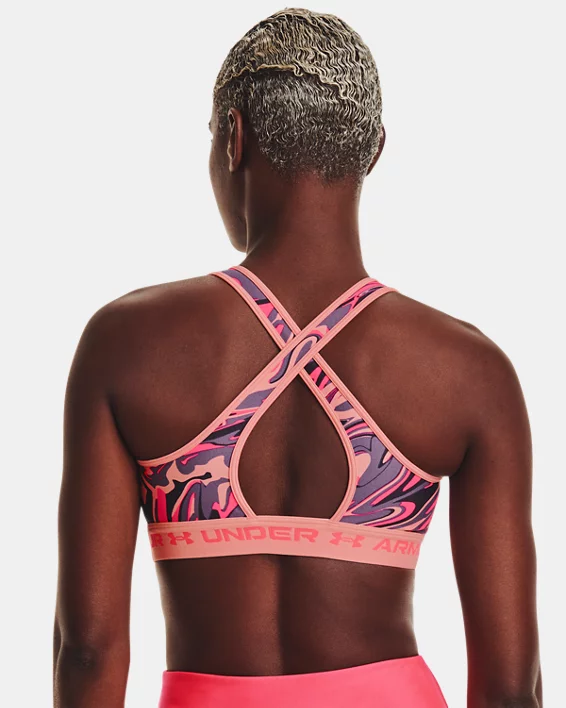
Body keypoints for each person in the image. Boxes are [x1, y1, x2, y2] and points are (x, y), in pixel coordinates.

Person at [53, 8, 542, 708]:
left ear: (233, 138)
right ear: (373, 150)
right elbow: (510, 690)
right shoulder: (468, 370)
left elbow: (88, 650)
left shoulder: (125, 344)